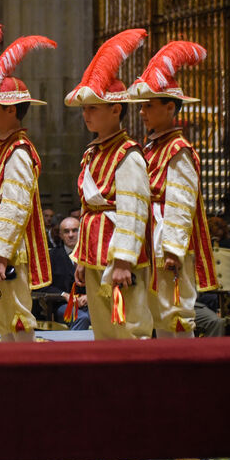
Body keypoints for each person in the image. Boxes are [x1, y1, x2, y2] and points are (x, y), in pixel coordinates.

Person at [64, 28, 153, 340]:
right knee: (102, 332)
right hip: (92, 253)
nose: (86, 115)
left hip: (118, 255)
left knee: (130, 329)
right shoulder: (91, 153)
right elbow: (87, 210)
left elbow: (133, 212)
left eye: (94, 108)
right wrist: (81, 259)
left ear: (116, 109)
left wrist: (124, 261)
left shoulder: (129, 155)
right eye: (85, 109)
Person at [128, 40, 219, 338]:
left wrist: (174, 249)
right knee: (151, 314)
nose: (142, 112)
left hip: (166, 245)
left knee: (174, 316)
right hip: (148, 240)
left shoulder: (178, 149)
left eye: (149, 106)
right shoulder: (152, 147)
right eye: (141, 105)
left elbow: (181, 203)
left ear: (170, 107)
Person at [0, 35, 57, 342]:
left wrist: (0, 254)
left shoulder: (19, 151)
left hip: (9, 248)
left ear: (11, 110)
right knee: (1, 316)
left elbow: (16, 206)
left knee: (18, 314)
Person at [40, 217, 90, 330]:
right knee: (82, 318)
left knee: (104, 317)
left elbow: (103, 282)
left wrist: (89, 296)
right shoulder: (51, 257)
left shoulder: (91, 255)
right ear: (61, 235)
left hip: (90, 303)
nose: (71, 235)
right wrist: (64, 295)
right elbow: (42, 286)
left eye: (75, 230)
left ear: (81, 232)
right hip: (63, 305)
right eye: (66, 231)